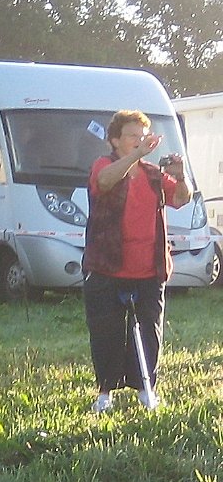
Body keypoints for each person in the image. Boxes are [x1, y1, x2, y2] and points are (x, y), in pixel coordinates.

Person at [82, 109, 190, 413]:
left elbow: (181, 198)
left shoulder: (153, 174)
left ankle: (145, 387)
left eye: (143, 136)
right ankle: (105, 392)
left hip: (149, 269)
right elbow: (103, 182)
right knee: (106, 333)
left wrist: (180, 175)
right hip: (106, 267)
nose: (140, 141)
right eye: (132, 136)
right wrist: (135, 156)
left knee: (149, 331)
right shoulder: (104, 165)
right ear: (114, 140)